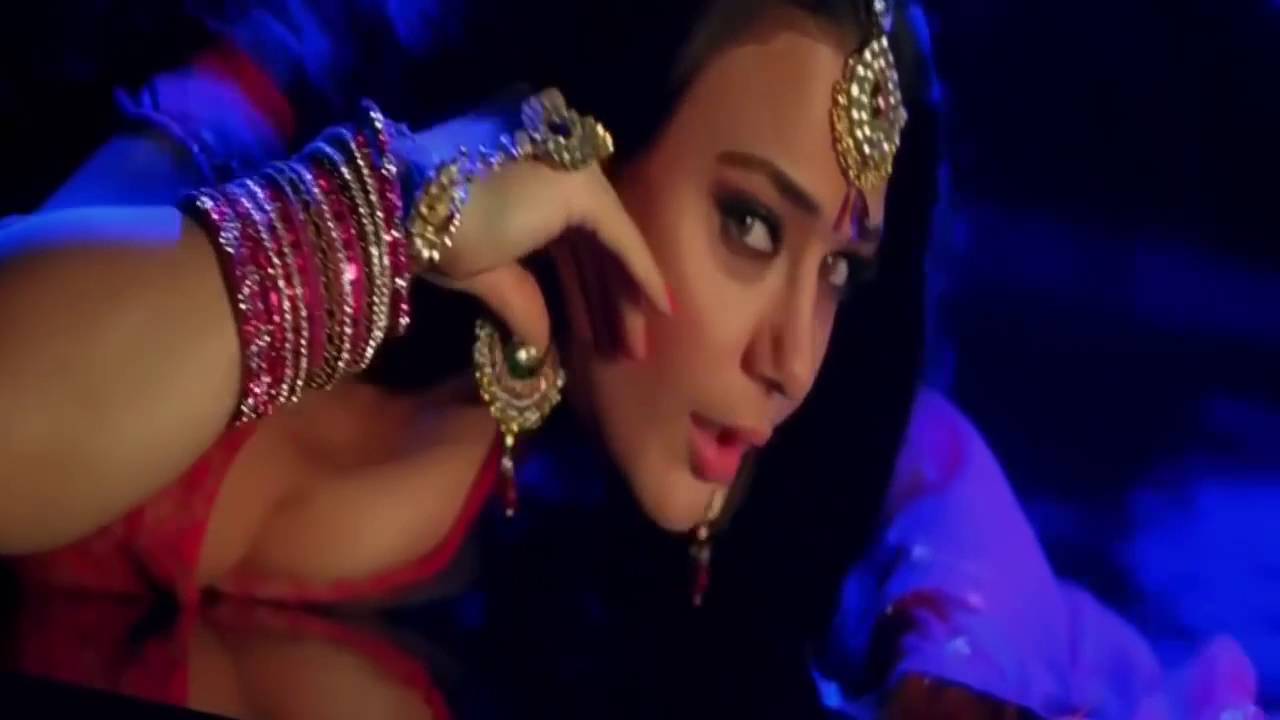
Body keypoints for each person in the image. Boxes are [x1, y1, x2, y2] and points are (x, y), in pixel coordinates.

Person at [0, 1, 1262, 717]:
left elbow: (915, 462)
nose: (790, 359)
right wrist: (405, 207)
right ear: (587, 130)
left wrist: (957, 656)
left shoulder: (586, 443)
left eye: (837, 271)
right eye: (749, 225)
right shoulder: (276, 87)